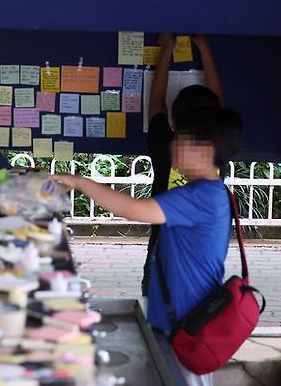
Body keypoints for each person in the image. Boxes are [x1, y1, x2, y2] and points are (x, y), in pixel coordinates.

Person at [53, 105, 243, 385]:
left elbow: (134, 210)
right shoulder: (208, 192)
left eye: (179, 139)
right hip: (183, 320)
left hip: (187, 325)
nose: (172, 144)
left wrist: (80, 182)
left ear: (204, 151)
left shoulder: (200, 196)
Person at [142, 33, 225, 296]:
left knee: (157, 315)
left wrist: (167, 49)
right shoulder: (218, 148)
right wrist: (204, 47)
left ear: (174, 122)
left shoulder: (165, 144)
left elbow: (155, 100)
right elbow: (218, 98)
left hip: (163, 252)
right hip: (203, 263)